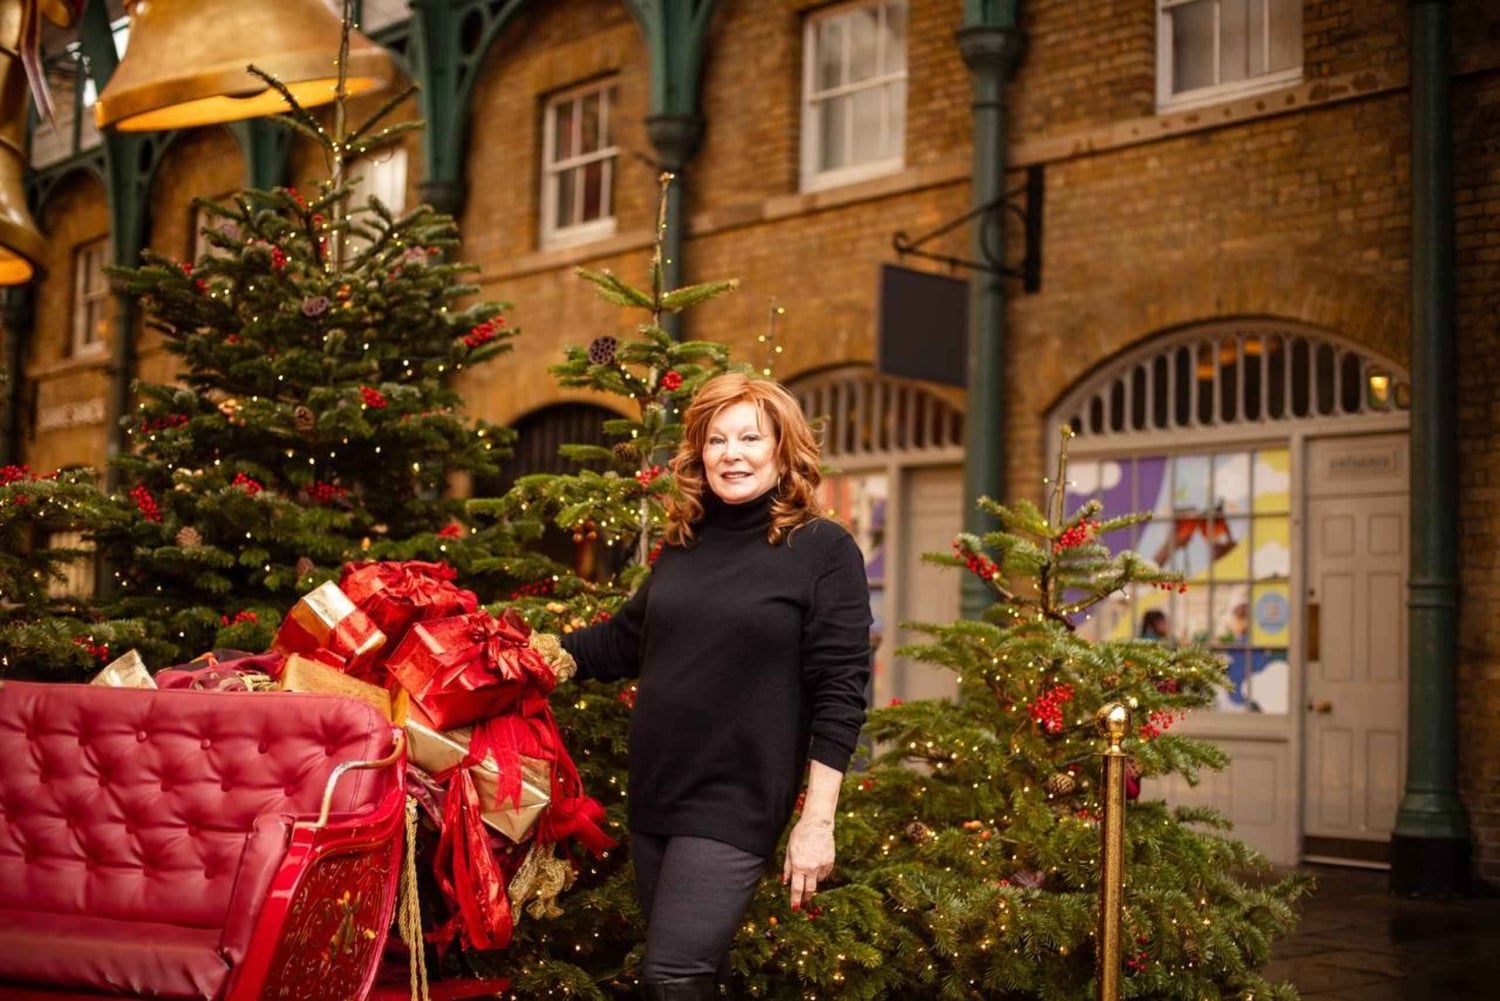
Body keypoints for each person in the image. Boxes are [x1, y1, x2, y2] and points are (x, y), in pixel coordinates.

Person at [560, 373, 873, 1001]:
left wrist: (818, 822)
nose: (732, 454)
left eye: (750, 437)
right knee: (696, 974)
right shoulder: (685, 544)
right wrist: (519, 656)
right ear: (699, 454)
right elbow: (622, 643)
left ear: (784, 450)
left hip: (737, 795)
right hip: (658, 792)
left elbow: (841, 690)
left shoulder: (823, 550)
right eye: (716, 440)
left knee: (671, 977)